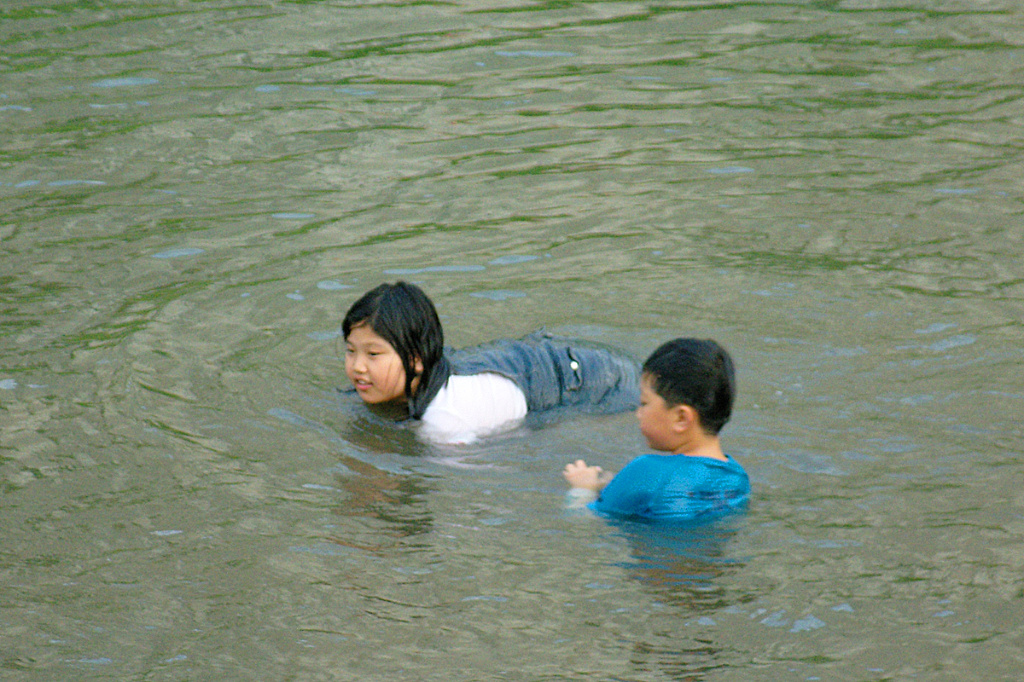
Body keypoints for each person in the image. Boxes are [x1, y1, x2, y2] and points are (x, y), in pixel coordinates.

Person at [342, 281, 640, 444]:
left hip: (599, 382)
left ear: (416, 360)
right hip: (539, 360)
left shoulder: (447, 422)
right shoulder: (391, 382)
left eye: (373, 354)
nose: (357, 367)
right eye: (351, 351)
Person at [562, 337, 750, 522]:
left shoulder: (645, 471)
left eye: (644, 403)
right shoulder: (738, 479)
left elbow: (580, 518)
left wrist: (583, 488)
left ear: (681, 418)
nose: (638, 413)